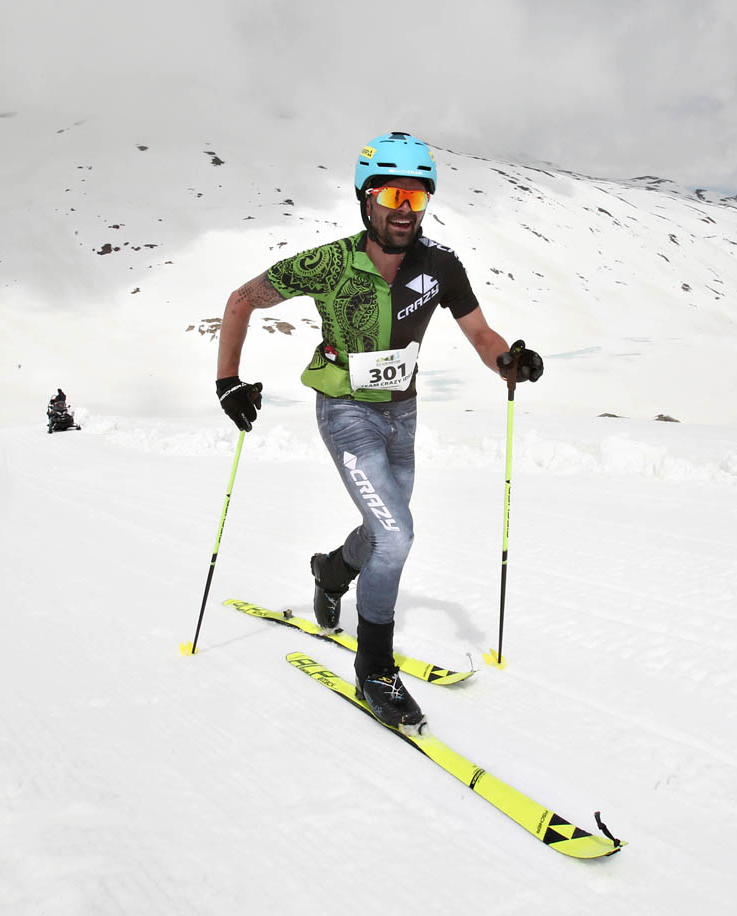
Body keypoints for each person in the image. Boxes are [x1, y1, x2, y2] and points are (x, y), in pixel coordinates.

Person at [214, 131, 543, 732]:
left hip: (403, 413)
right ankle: (374, 665)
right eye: (391, 195)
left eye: (416, 199)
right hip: (346, 409)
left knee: (384, 527)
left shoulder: (440, 265)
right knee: (396, 536)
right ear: (365, 198)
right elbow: (241, 300)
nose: (403, 210)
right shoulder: (329, 263)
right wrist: (228, 381)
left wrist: (506, 360)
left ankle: (333, 570)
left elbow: (481, 334)